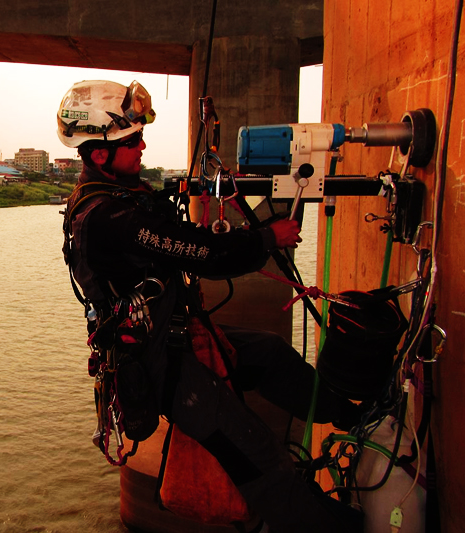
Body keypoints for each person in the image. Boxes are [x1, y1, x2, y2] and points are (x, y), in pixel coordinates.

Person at [58, 80, 363, 533]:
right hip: (164, 369)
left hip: (178, 341)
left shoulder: (122, 201)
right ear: (99, 154)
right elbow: (205, 253)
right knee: (258, 455)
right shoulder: (107, 218)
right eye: (131, 140)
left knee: (268, 354)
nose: (142, 145)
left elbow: (175, 239)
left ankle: (352, 415)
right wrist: (265, 237)